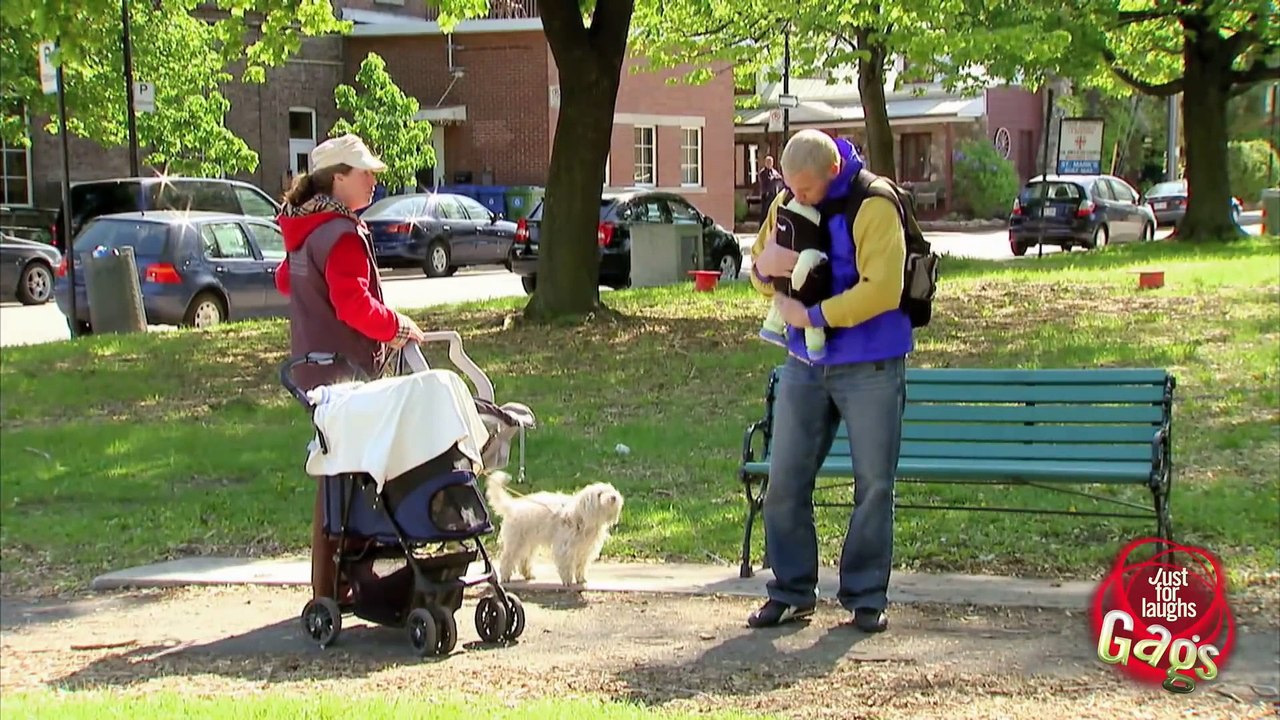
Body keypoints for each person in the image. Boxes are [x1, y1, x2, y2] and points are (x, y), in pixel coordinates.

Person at [747, 129, 911, 633]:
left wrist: (816, 315)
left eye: (807, 191)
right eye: (790, 188)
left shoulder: (875, 203)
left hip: (872, 363)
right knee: (785, 480)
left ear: (832, 173)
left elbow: (884, 289)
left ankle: (865, 597)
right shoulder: (787, 198)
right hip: (804, 364)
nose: (797, 198)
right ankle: (793, 591)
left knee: (873, 485)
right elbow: (759, 268)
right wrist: (765, 268)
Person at [274, 133, 426, 608]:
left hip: (312, 369)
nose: (374, 179)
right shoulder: (339, 233)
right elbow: (353, 305)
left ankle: (334, 585)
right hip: (342, 372)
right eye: (365, 172)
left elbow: (286, 280)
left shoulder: (306, 228)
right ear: (339, 178)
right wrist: (397, 325)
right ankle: (335, 587)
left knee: (339, 473)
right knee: (349, 476)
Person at [757, 155, 784, 220]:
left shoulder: (774, 171)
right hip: (766, 195)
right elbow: (769, 180)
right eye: (768, 162)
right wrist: (775, 178)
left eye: (771, 162)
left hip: (774, 194)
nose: (769, 163)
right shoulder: (763, 173)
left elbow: (780, 178)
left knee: (773, 211)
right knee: (765, 213)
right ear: (765, 163)